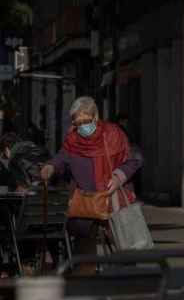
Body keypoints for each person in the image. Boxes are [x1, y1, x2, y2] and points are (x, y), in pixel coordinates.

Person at [40, 96, 143, 259]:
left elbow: (133, 160)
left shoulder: (113, 134)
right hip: (85, 203)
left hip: (112, 199)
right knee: (83, 253)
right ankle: (86, 280)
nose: (81, 127)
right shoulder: (72, 139)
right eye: (77, 123)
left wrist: (118, 177)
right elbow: (61, 157)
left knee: (125, 251)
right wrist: (50, 167)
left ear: (95, 117)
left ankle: (125, 280)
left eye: (85, 121)